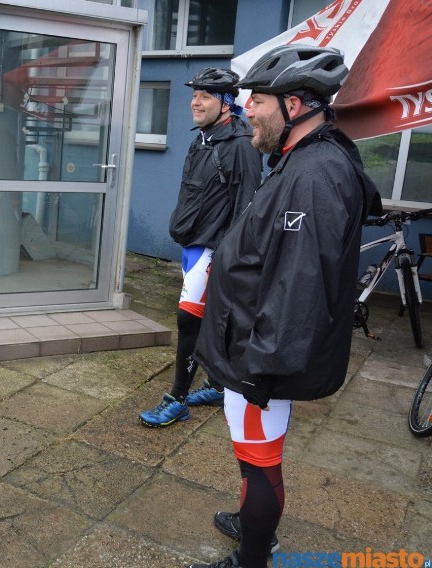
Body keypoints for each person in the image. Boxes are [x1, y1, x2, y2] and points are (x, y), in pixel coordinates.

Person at [190, 45, 382, 568]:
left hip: (262, 357)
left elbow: (300, 287)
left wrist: (262, 369)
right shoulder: (297, 160)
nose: (245, 107)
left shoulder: (314, 175)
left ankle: (254, 555)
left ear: (293, 106)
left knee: (260, 463)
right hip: (251, 343)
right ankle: (257, 520)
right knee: (254, 457)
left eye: (257, 99)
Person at [139, 68, 262, 428]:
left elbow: (247, 206)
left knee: (188, 322)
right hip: (192, 247)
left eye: (205, 96)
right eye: (195, 95)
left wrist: (229, 256)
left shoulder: (241, 145)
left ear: (226, 103)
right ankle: (219, 384)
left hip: (213, 250)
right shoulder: (205, 137)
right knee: (209, 320)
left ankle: (177, 399)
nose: (195, 101)